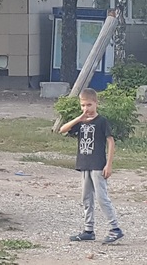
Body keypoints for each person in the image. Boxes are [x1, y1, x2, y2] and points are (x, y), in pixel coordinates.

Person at [59, 88, 124, 244]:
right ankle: (89, 230)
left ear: (96, 103)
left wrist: (109, 164)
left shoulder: (101, 121)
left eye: (89, 105)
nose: (86, 108)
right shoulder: (81, 122)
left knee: (102, 197)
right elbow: (62, 130)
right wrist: (79, 118)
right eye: (83, 105)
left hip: (97, 164)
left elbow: (110, 141)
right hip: (84, 163)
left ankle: (115, 229)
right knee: (86, 198)